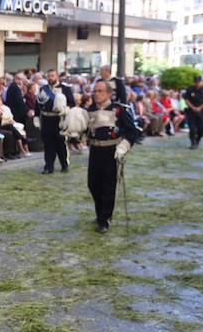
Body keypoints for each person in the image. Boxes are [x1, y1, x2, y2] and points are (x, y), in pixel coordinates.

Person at [86, 80, 141, 233]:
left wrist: (124, 146)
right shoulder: (90, 109)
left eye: (100, 91)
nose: (96, 94)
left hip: (111, 152)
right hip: (95, 151)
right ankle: (100, 214)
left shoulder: (119, 110)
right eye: (95, 91)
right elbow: (86, 131)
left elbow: (132, 132)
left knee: (108, 187)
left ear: (109, 93)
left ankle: (105, 220)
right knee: (93, 185)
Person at [36, 69, 75, 174]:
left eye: (52, 76)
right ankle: (48, 167)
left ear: (57, 76)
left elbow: (72, 103)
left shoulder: (65, 88)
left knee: (60, 144)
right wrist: (36, 116)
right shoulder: (43, 89)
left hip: (59, 120)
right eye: (48, 76)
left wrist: (66, 109)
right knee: (48, 144)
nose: (50, 78)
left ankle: (64, 165)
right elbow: (38, 104)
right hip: (46, 120)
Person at [182, 75, 203, 150]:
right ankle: (193, 143)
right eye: (195, 82)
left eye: (198, 82)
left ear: (201, 82)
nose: (196, 84)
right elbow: (186, 99)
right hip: (191, 111)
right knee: (192, 128)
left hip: (202, 111)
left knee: (201, 128)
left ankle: (198, 140)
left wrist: (200, 107)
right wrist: (193, 107)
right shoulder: (190, 89)